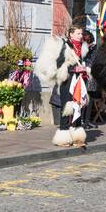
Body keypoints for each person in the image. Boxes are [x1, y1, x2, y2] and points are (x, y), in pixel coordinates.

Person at [35, 19, 90, 148]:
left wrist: (84, 69)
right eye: (78, 34)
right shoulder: (64, 46)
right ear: (71, 34)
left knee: (78, 106)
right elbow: (59, 64)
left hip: (79, 81)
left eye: (81, 34)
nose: (80, 36)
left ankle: (77, 135)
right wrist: (72, 69)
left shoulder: (82, 47)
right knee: (67, 108)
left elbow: (82, 62)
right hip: (67, 81)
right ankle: (63, 136)